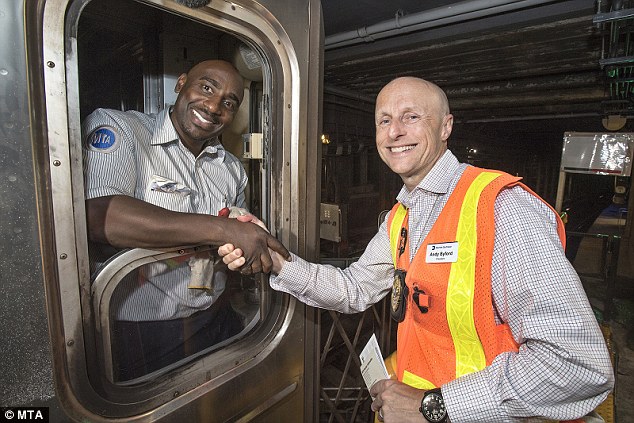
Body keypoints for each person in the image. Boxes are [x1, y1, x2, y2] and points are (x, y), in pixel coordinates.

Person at [219, 77, 615, 422]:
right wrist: (275, 257)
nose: (394, 132)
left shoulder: (500, 208)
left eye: (411, 117)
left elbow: (576, 365)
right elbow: (353, 289)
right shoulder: (401, 217)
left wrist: (435, 406)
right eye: (384, 120)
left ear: (446, 127)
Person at [82, 59, 289, 380]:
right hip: (143, 330)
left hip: (216, 317)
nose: (213, 106)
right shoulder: (122, 130)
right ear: (181, 84)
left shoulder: (231, 168)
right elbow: (99, 217)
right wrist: (223, 229)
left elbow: (234, 241)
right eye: (206, 88)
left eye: (229, 102)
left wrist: (244, 253)